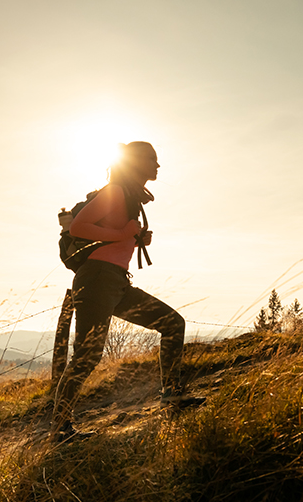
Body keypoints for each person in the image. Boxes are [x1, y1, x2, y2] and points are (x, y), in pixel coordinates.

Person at [52, 141, 203, 439]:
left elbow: (110, 237)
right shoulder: (117, 191)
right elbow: (78, 227)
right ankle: (59, 428)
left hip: (117, 282)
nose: (158, 166)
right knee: (87, 355)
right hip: (97, 279)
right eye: (152, 159)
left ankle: (171, 395)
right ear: (135, 162)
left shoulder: (129, 196)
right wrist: (122, 234)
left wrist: (134, 240)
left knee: (172, 324)